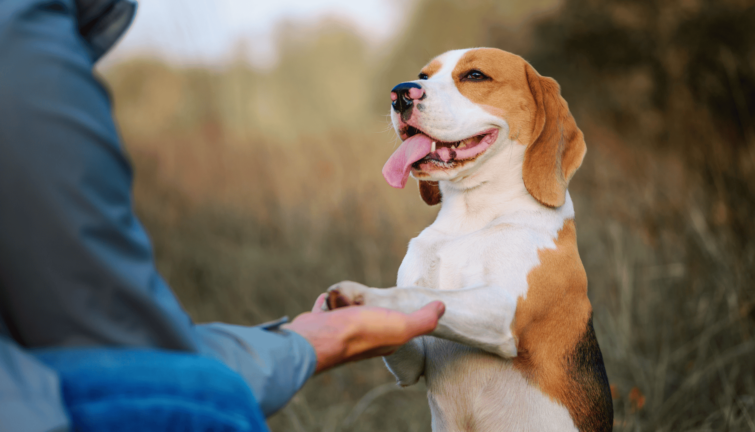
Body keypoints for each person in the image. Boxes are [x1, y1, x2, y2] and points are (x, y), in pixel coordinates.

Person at [0, 1, 445, 431]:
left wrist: (303, 342)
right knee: (205, 403)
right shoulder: (22, 32)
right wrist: (316, 343)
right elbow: (140, 359)